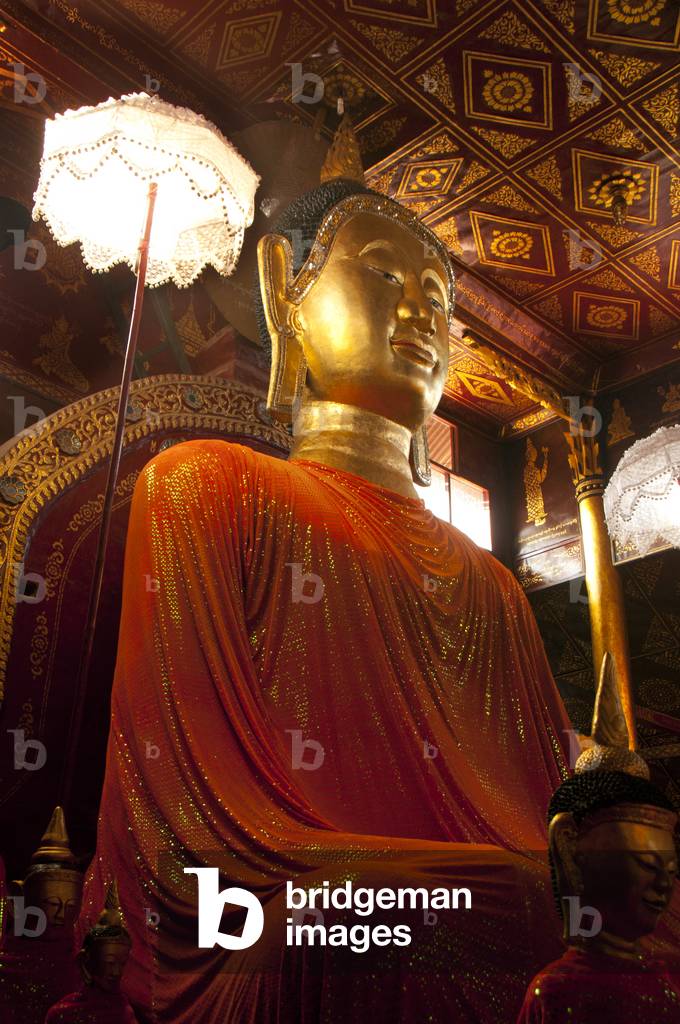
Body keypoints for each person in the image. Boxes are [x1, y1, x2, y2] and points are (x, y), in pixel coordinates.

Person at [79, 116, 575, 1023]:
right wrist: (362, 870)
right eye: (383, 274)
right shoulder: (202, 485)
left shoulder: (495, 585)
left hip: (495, 888)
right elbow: (183, 810)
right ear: (285, 291)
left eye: (440, 297)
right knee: (358, 920)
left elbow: (548, 822)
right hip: (277, 906)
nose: (423, 312)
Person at [518, 654, 680, 1021]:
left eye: (670, 871)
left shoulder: (667, 977)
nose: (662, 886)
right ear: (571, 851)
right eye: (646, 863)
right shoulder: (558, 990)